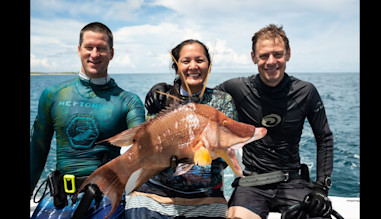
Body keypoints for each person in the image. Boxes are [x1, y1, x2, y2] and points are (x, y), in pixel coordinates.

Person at [145, 24, 334, 219]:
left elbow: (324, 138)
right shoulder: (237, 88)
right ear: (253, 57)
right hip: (251, 183)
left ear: (288, 54)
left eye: (277, 54)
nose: (271, 61)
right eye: (263, 56)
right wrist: (166, 89)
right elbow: (200, 97)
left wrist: (321, 187)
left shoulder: (306, 92)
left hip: (293, 181)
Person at [30, 22, 145, 218]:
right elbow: (38, 149)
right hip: (58, 198)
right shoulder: (53, 95)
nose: (94, 54)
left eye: (101, 48)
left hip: (106, 199)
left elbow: (141, 148)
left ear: (111, 53)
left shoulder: (128, 101)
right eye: (88, 47)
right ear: (78, 50)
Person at [125, 39, 238, 219]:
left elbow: (226, 154)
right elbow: (149, 144)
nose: (193, 66)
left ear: (209, 65)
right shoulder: (160, 98)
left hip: (206, 197)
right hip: (155, 193)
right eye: (185, 61)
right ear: (177, 67)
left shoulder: (222, 101)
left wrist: (186, 154)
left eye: (200, 60)